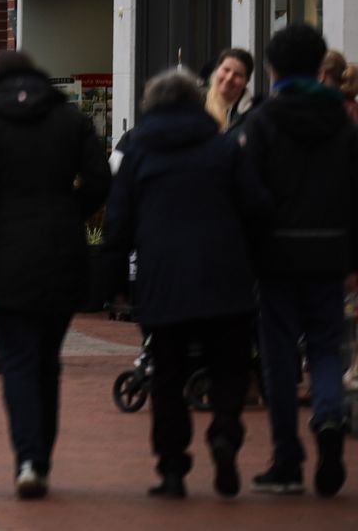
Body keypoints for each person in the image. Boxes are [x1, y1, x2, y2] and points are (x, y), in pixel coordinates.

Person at [0, 49, 112, 501]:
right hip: (62, 253)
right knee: (46, 363)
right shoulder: (70, 119)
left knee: (17, 361)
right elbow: (100, 180)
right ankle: (42, 458)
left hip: (9, 257)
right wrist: (69, 210)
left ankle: (27, 459)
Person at [104, 68, 259, 500]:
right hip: (225, 276)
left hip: (163, 277)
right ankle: (225, 433)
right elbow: (255, 207)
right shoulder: (224, 148)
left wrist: (114, 281)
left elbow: (119, 222)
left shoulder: (138, 154)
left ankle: (172, 466)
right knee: (229, 366)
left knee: (167, 376)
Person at [237, 22, 357, 497]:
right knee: (327, 347)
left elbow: (248, 191)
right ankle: (328, 416)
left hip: (276, 254)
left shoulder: (263, 119)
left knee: (280, 356)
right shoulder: (344, 123)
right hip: (330, 251)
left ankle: (287, 459)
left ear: (273, 67)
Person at [205, 47, 254, 133]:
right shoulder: (196, 103)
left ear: (247, 81)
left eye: (237, 74)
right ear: (216, 70)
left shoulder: (254, 114)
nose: (229, 78)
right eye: (226, 70)